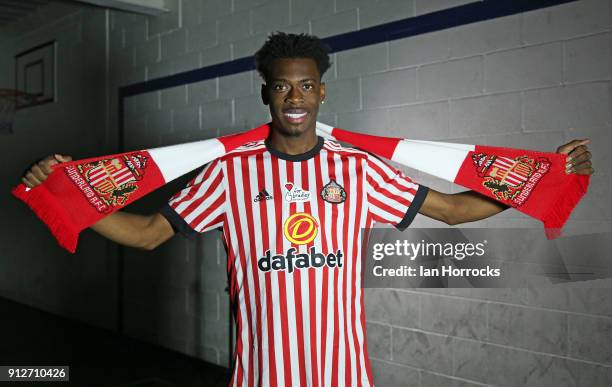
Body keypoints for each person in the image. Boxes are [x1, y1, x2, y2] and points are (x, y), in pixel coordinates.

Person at [21, 33, 594, 386]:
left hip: (343, 374)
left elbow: (449, 210)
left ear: (322, 93)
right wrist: (76, 199)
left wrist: (530, 185)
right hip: (260, 375)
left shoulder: (359, 170)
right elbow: (147, 233)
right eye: (281, 87)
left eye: (306, 86)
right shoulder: (229, 172)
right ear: (266, 93)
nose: (294, 97)